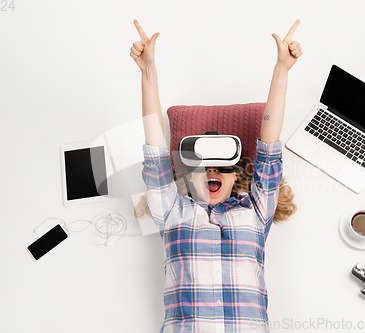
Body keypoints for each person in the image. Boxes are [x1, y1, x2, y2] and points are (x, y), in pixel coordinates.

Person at [130, 19, 302, 333]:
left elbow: (270, 147)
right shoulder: (172, 212)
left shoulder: (256, 210)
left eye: (223, 166)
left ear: (238, 176)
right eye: (202, 166)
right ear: (185, 176)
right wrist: (147, 71)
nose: (212, 170)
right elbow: (154, 148)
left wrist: (282, 68)